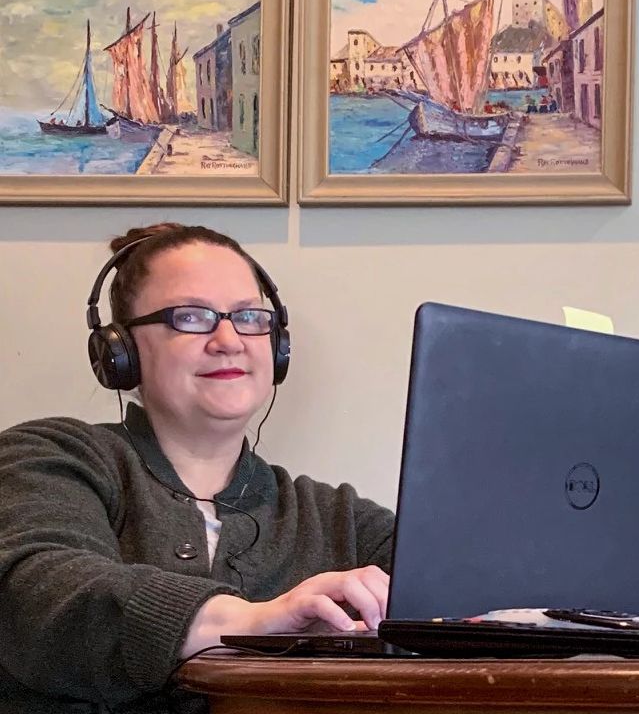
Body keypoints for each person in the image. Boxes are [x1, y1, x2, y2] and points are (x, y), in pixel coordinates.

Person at [0, 223, 394, 714]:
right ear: (120, 351)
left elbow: (470, 584)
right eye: (191, 317)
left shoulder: (338, 516)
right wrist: (252, 621)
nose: (228, 339)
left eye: (250, 317)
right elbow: (37, 595)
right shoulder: (51, 456)